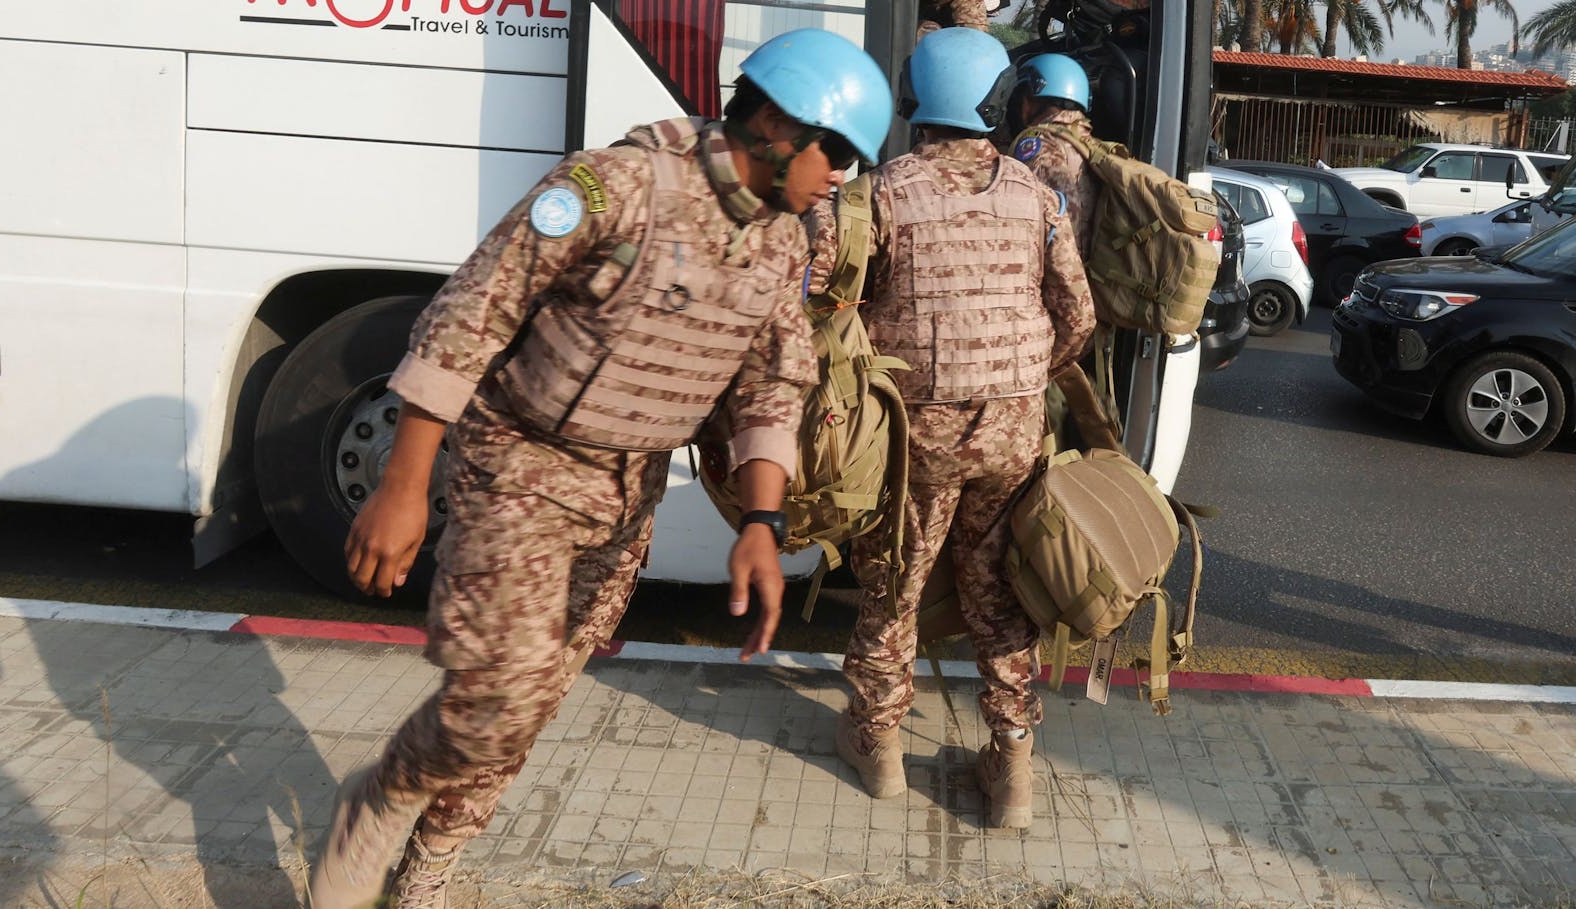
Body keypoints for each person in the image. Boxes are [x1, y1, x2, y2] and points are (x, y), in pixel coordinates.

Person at [306, 29, 892, 909]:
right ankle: (385, 796)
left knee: (532, 702)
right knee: (495, 697)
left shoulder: (782, 244)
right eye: (837, 150)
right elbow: (473, 312)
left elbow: (775, 387)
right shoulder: (615, 186)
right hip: (520, 467)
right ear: (775, 122)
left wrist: (764, 526)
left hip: (626, 496)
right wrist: (402, 482)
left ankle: (432, 861)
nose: (842, 174)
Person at [809, 27, 1096, 830]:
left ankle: (879, 747)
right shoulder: (1036, 195)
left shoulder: (877, 194)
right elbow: (1078, 317)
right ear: (998, 100)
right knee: (996, 588)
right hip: (1011, 428)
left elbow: (823, 315)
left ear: (912, 99)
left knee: (894, 583)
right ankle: (1010, 766)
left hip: (915, 437)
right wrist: (1026, 378)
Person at [1009, 53, 1099, 257]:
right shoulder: (1088, 143)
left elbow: (1057, 224)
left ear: (1031, 99)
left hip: (1066, 273)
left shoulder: (1039, 147)